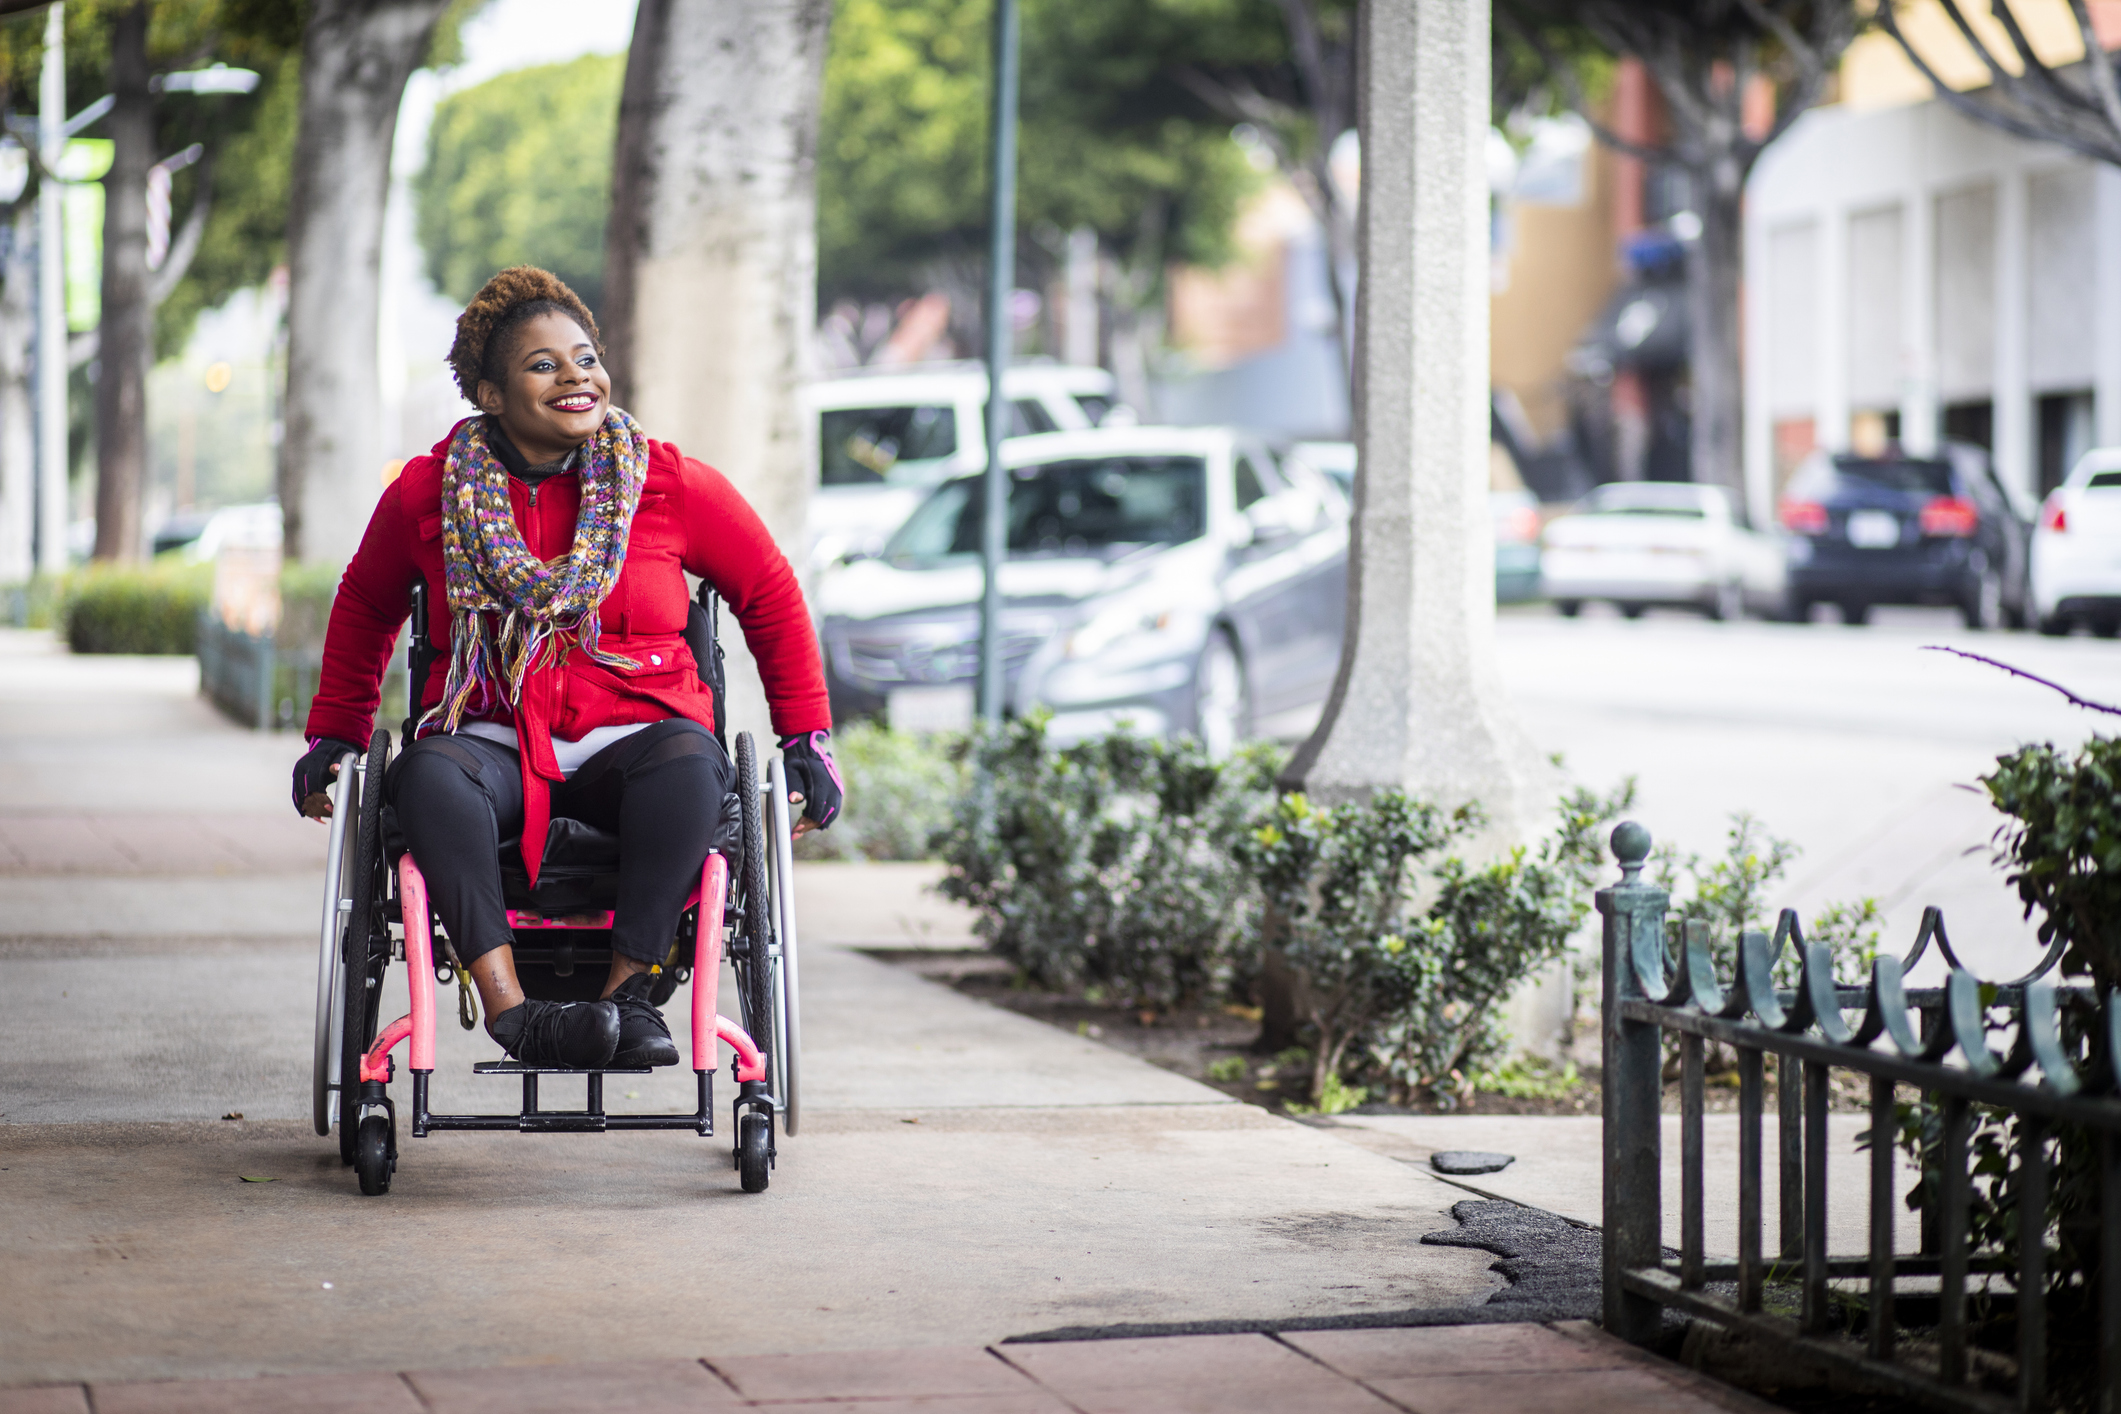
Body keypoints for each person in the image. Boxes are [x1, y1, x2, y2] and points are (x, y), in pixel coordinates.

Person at [291, 266, 842, 1070]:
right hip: (492, 740)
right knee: (427, 779)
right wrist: (334, 736)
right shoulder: (426, 495)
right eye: (543, 364)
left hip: (641, 742)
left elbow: (769, 592)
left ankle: (629, 997)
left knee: (696, 769)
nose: (576, 377)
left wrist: (807, 737)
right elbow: (366, 606)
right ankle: (519, 1015)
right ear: (489, 393)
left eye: (584, 357)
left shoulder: (667, 482)